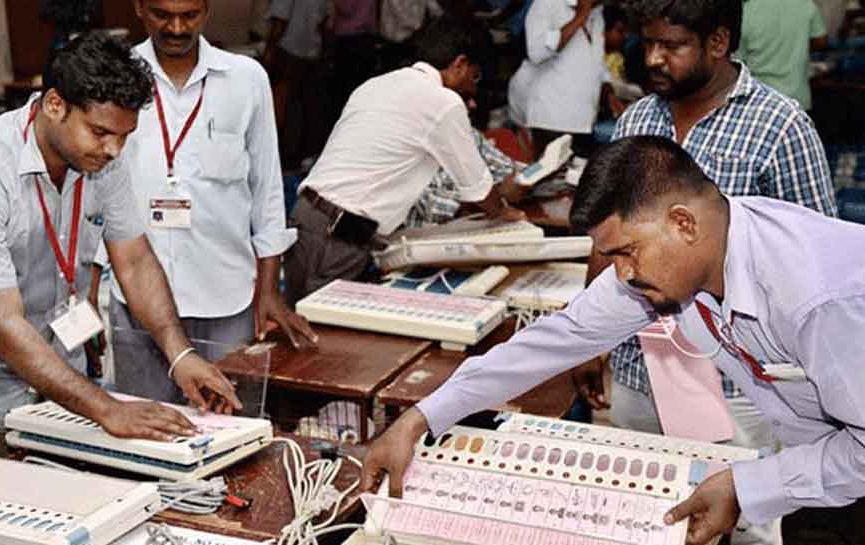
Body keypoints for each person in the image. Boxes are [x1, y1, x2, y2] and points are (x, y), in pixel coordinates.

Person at [363, 135, 865, 545]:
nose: (621, 274)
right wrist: (421, 416)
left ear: (683, 223)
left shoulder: (818, 299)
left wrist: (746, 486)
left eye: (626, 252)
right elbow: (561, 336)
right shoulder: (677, 261)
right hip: (826, 476)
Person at [0, 33, 242, 472]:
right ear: (55, 105)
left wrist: (180, 354)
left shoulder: (100, 158)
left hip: (54, 394)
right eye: (100, 132)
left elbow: (133, 261)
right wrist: (107, 409)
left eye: (124, 136)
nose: (114, 149)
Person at [573, 0, 836, 458]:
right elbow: (608, 240)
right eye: (649, 42)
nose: (653, 58)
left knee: (743, 516)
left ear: (718, 42)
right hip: (640, 369)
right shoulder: (638, 120)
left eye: (672, 45)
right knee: (644, 503)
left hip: (738, 384)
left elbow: (817, 263)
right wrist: (588, 340)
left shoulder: (779, 127)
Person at [91, 0, 316, 404]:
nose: (176, 27)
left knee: (232, 425)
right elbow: (91, 190)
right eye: (162, 14)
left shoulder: (246, 80)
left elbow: (266, 190)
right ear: (139, 7)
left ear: (207, 10)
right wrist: (88, 293)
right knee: (144, 429)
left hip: (228, 296)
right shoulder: (114, 76)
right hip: (135, 299)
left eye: (189, 15)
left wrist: (269, 289)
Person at [283, 16, 526, 305]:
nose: (473, 90)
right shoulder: (442, 102)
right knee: (323, 335)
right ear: (459, 64)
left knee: (299, 327)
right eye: (474, 77)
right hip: (340, 236)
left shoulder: (378, 84)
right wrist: (506, 213)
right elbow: (478, 189)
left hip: (308, 217)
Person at [507, 0, 625, 159]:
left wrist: (609, 93)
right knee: (548, 178)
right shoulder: (547, 4)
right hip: (550, 120)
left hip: (583, 120)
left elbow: (596, 61)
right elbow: (537, 52)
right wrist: (580, 16)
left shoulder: (597, 13)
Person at [263, 0, 331, 171]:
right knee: (304, 106)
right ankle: (300, 157)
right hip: (311, 51)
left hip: (288, 49)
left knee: (284, 105)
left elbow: (280, 20)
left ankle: (283, 156)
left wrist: (269, 51)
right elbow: (325, 22)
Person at [737, 0, 828, 111]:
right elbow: (821, 40)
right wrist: (799, 46)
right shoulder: (805, 4)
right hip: (798, 100)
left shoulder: (747, 10)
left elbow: (738, 62)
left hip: (761, 103)